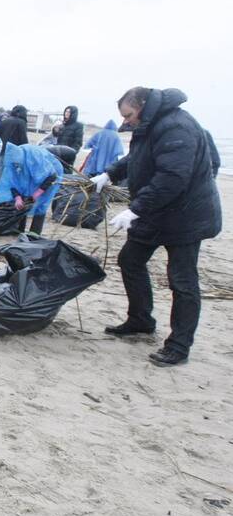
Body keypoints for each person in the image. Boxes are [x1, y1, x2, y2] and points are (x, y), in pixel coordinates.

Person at [90, 87, 222, 367]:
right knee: (130, 259)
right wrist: (110, 172)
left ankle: (179, 345)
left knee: (182, 279)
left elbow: (172, 177)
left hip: (186, 216)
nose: (127, 122)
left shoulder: (177, 126)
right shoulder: (149, 125)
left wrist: (135, 209)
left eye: (128, 115)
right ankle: (140, 320)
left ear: (143, 105)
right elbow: (137, 158)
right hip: (156, 212)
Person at [0, 141, 63, 235]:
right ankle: (19, 230)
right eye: (14, 165)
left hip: (49, 174)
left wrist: (37, 193)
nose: (16, 166)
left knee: (41, 204)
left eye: (17, 164)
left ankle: (35, 232)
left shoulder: (35, 157)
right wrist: (18, 198)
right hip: (28, 174)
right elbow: (11, 183)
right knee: (24, 199)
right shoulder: (12, 163)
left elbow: (52, 177)